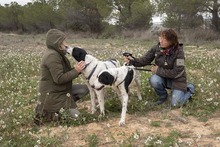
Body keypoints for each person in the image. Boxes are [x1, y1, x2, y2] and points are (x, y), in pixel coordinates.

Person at [124, 29, 194, 106]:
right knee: (154, 80)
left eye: (165, 39)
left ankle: (190, 88)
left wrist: (158, 70)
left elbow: (176, 72)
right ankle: (163, 97)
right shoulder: (156, 48)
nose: (161, 41)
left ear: (172, 41)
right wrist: (132, 61)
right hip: (163, 78)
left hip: (177, 81)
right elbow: (144, 60)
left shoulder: (179, 52)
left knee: (175, 104)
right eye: (160, 38)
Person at [34, 29, 89, 125]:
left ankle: (65, 106)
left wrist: (78, 70)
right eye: (63, 41)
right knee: (77, 118)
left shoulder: (56, 53)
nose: (65, 44)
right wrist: (76, 70)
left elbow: (65, 73)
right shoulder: (52, 56)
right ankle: (54, 112)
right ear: (57, 43)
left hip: (62, 90)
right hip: (53, 95)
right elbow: (59, 78)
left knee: (84, 89)